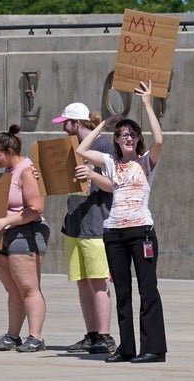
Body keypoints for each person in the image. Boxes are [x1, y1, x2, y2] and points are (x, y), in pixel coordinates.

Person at [77, 80, 167, 364]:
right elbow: (82, 150)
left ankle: (153, 349)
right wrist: (103, 124)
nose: (127, 138)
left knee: (148, 289)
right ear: (116, 140)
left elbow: (160, 140)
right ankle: (126, 347)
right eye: (122, 134)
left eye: (131, 134)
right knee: (122, 291)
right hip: (114, 232)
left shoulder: (145, 162)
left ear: (138, 138)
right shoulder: (111, 163)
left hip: (141, 232)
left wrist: (147, 104)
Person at [0, 125, 50, 353]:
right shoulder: (8, 172)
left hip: (26, 233)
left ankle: (35, 338)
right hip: (4, 235)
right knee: (13, 290)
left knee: (29, 288)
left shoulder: (27, 170)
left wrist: (8, 221)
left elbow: (36, 208)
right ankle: (12, 336)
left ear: (9, 151)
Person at [52, 102, 117, 355]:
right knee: (82, 283)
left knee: (98, 282)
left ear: (76, 123)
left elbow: (114, 184)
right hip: (74, 224)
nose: (63, 128)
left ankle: (105, 336)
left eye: (65, 124)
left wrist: (90, 173)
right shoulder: (69, 149)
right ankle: (91, 335)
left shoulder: (102, 146)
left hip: (96, 224)